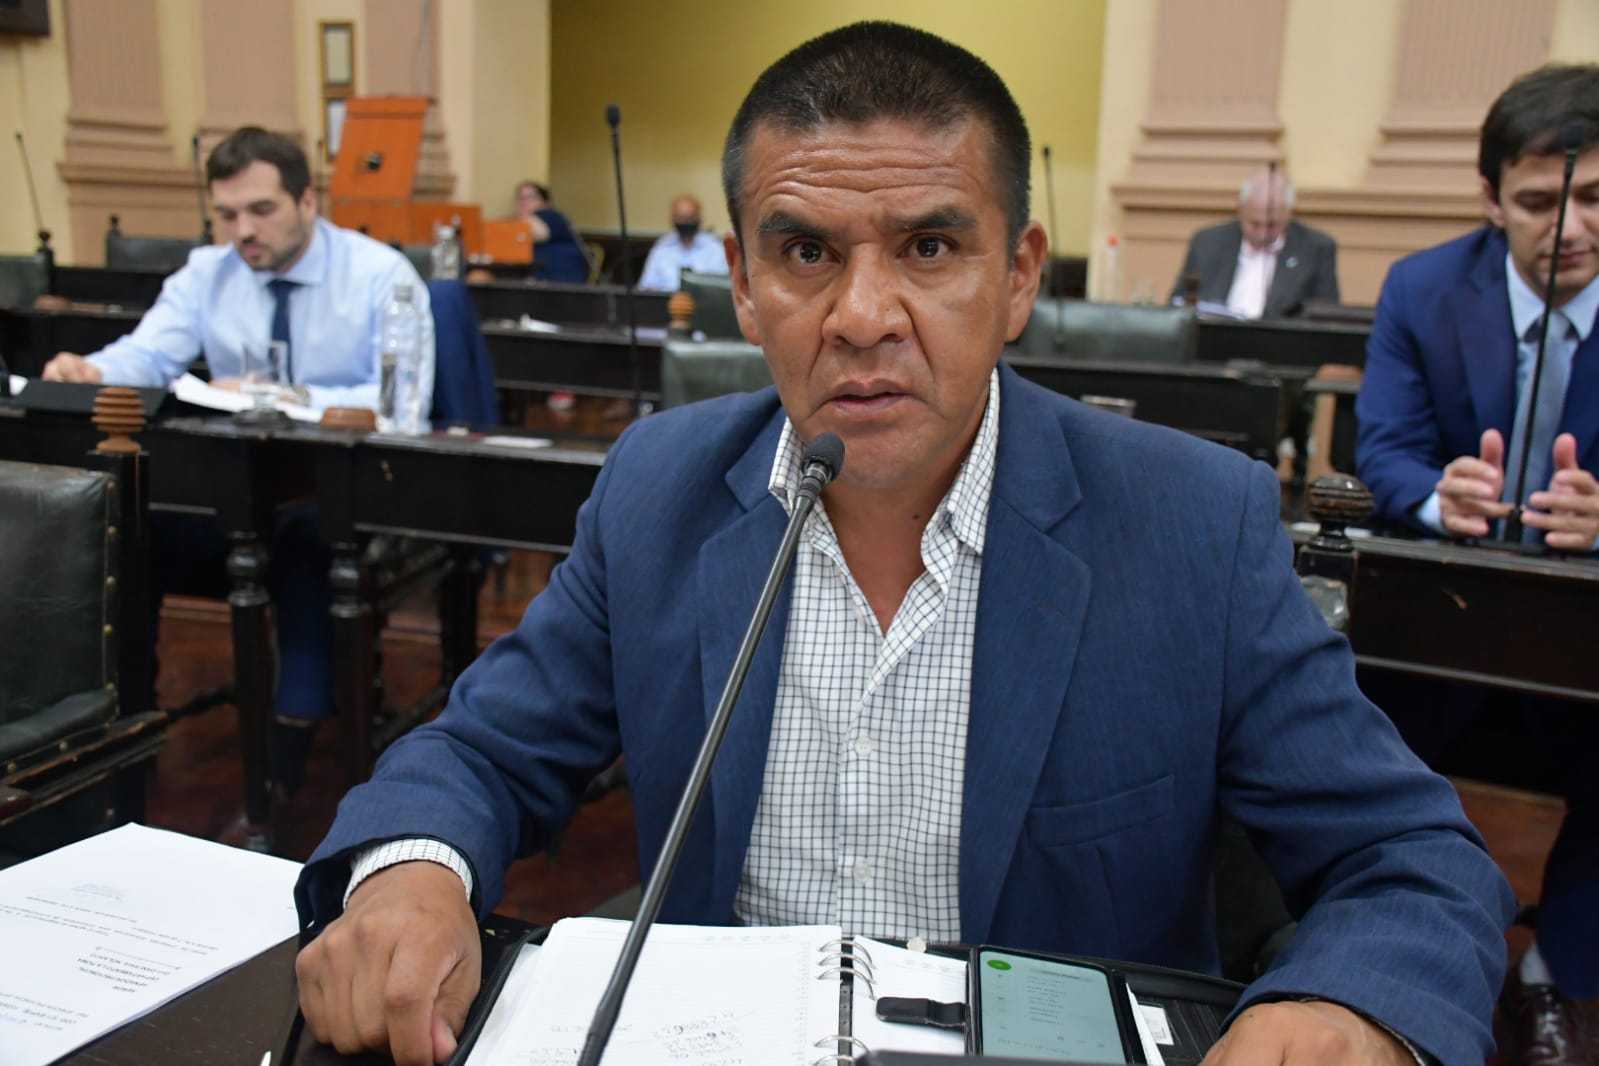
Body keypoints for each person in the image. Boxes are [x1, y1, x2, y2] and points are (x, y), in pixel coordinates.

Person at [293, 23, 1512, 1066]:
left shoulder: (1195, 524)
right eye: (805, 252)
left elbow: (1412, 861)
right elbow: (481, 751)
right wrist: (415, 869)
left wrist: (1346, 1005)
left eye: (929, 248)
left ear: (1018, 275)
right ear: (741, 282)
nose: (863, 316)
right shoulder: (660, 490)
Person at [43, 126, 433, 786]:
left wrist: (278, 397)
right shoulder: (208, 273)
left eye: (261, 210)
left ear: (308, 201)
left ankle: (285, 755)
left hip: (352, 488)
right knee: (131, 532)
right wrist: (92, 372)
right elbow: (148, 354)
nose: (242, 231)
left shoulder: (380, 276)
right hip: (244, 487)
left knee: (305, 542)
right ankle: (122, 731)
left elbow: (403, 408)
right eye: (226, 215)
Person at [1356, 63, 1599, 1066]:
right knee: (1335, 710)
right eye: (1539, 201)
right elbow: (1382, 450)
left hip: (1587, 637)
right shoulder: (1421, 288)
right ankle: (1383, 955)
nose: (1570, 226)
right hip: (1445, 623)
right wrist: (1434, 494)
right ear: (1491, 199)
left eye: (1595, 197)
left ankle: (1555, 973)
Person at [1169, 168, 1340, 318]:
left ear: (1289, 214)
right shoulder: (1208, 242)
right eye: (1255, 224)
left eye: (1272, 225)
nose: (1262, 233)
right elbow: (1177, 306)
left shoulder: (1316, 249)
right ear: (1240, 210)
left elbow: (1325, 318)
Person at [637, 193, 730, 290]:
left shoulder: (715, 248)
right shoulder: (661, 248)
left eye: (690, 218)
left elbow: (723, 287)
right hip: (667, 299)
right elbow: (646, 287)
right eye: (681, 218)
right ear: (672, 219)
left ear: (699, 218)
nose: (686, 222)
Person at [513, 180, 590, 284]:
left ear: (545, 203)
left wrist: (523, 216)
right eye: (521, 198)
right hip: (539, 280)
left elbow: (538, 233)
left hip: (563, 281)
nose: (524, 202)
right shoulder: (521, 222)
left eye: (530, 197)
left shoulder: (551, 215)